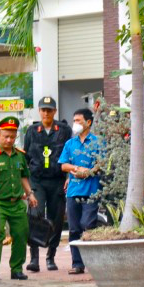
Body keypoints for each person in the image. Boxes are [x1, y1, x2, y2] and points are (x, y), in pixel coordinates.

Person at [0, 116, 39, 280]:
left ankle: (16, 269)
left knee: (21, 234)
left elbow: (24, 176)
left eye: (12, 137)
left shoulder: (20, 156)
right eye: (5, 136)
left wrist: (30, 194)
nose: (9, 140)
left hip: (17, 204)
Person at [23, 96, 72, 272]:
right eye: (43, 110)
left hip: (57, 180)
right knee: (35, 216)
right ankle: (34, 258)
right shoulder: (32, 131)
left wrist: (68, 178)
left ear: (55, 112)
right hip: (37, 181)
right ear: (39, 111)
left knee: (56, 219)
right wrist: (26, 186)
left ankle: (51, 256)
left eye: (49, 110)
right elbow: (25, 158)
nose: (46, 113)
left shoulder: (64, 130)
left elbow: (69, 154)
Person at [58, 108, 102, 274]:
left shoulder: (98, 142)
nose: (75, 124)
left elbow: (102, 163)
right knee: (74, 228)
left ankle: (92, 262)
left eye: (78, 121)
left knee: (88, 225)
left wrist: (89, 171)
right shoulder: (70, 144)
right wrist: (76, 168)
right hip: (73, 191)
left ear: (88, 122)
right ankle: (77, 264)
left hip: (91, 190)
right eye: (74, 120)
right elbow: (63, 165)